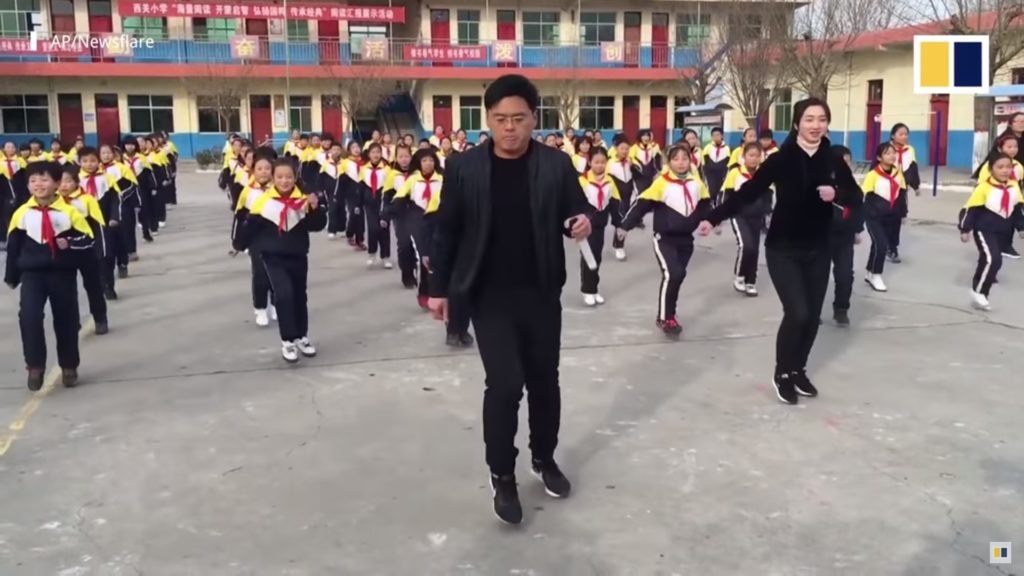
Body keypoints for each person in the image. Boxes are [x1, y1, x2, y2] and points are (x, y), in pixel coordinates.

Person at [427, 74, 592, 525]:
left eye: (519, 119)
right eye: (500, 119)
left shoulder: (555, 165)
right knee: (504, 385)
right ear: (489, 120)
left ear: (534, 118)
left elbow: (577, 207)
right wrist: (439, 288)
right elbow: (447, 229)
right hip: (488, 294)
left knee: (544, 381)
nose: (510, 128)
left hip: (540, 291)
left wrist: (581, 222)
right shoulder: (464, 167)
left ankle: (544, 457)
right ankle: (502, 474)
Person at [696, 97, 862, 406]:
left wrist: (836, 192)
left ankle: (798, 370)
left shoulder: (833, 159)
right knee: (797, 312)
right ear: (797, 124)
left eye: (822, 119)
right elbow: (747, 192)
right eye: (809, 119)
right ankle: (782, 374)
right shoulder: (780, 159)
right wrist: (713, 217)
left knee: (812, 317)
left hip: (819, 248)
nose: (816, 125)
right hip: (783, 248)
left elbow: (856, 195)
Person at [5, 161, 94, 390]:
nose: (38, 184)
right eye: (33, 180)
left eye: (44, 179)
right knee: (29, 317)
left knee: (66, 319)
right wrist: (12, 276)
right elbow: (14, 247)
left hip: (61, 273)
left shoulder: (69, 213)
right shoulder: (22, 214)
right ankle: (35, 366)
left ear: (56, 183)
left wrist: (69, 242)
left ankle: (69, 365)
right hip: (32, 274)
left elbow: (88, 240)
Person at [235, 159, 327, 362]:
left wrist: (316, 208)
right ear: (273, 178)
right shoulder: (264, 201)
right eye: (280, 177)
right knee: (283, 294)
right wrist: (238, 245)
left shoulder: (302, 201)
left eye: (289, 177)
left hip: (298, 255)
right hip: (272, 256)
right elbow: (249, 226)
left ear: (295, 178)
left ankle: (301, 336)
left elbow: (317, 225)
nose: (284, 181)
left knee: (299, 297)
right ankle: (288, 340)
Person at [620, 144, 710, 336]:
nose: (680, 162)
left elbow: (705, 205)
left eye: (684, 158)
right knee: (673, 274)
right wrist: (625, 225)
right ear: (669, 162)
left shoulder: (696, 183)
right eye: (676, 159)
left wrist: (710, 221)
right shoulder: (662, 183)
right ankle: (664, 318)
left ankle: (671, 314)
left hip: (686, 240)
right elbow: (641, 204)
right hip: (664, 239)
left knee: (678, 277)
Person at [959, 154, 1024, 311]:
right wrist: (965, 229)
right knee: (993, 259)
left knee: (987, 260)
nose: (1004, 170)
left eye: (1008, 167)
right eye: (1000, 167)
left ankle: (978, 288)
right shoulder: (984, 187)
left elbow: (1016, 209)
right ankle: (980, 292)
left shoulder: (1014, 186)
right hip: (984, 229)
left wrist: (1021, 227)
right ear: (990, 169)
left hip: (1003, 231)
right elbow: (971, 209)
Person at [58, 164, 110, 335]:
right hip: (64, 253)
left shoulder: (87, 199)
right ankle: (73, 321)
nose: (63, 185)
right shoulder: (54, 201)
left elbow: (98, 226)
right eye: (60, 181)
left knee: (93, 286)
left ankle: (100, 318)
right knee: (67, 289)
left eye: (68, 181)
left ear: (76, 181)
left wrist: (101, 251)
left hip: (87, 250)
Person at [232, 149, 278, 327]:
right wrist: (238, 242)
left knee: (277, 274)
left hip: (277, 238)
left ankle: (275, 304)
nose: (264, 171)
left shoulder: (279, 190)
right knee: (260, 274)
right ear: (254, 171)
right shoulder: (248, 192)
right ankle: (260, 308)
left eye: (267, 168)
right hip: (256, 239)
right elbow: (239, 217)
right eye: (260, 168)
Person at [578, 147, 622, 306]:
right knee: (588, 257)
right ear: (589, 162)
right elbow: (576, 203)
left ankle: (594, 289)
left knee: (597, 257)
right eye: (596, 162)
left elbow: (615, 204)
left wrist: (619, 225)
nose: (599, 165)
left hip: (601, 225)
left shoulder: (610, 181)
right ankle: (587, 290)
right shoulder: (582, 180)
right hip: (585, 224)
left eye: (603, 162)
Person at [723, 142, 768, 297]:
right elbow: (726, 195)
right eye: (751, 155)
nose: (754, 159)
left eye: (757, 156)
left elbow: (768, 195)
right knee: (746, 246)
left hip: (757, 217)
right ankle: (739, 276)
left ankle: (751, 282)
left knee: (755, 250)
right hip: (739, 215)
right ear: (744, 156)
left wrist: (767, 212)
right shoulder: (735, 173)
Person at [861, 142, 907, 293]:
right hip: (874, 217)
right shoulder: (872, 175)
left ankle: (869, 271)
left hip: (891, 216)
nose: (892, 156)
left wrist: (903, 213)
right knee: (881, 244)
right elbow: (865, 197)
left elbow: (901, 195)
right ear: (879, 157)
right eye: (887, 153)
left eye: (893, 153)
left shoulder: (898, 174)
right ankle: (876, 275)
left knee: (877, 245)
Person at [79, 147, 123, 300]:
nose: (89, 164)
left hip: (104, 222)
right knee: (91, 257)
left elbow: (115, 199)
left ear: (98, 161)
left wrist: (114, 217)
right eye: (85, 161)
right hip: (84, 223)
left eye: (92, 160)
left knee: (106, 255)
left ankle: (108, 285)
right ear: (79, 162)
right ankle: (98, 285)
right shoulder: (76, 180)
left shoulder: (106, 178)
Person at [827, 146, 863, 327]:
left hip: (844, 238)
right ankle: (812, 311)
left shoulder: (854, 188)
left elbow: (858, 210)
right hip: (821, 238)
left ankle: (841, 309)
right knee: (815, 278)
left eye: (848, 163)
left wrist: (857, 230)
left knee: (845, 275)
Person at [975, 134, 1024, 260]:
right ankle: (990, 253)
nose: (1013, 149)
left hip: (1011, 199)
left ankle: (1006, 246)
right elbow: (982, 186)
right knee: (993, 227)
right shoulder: (989, 166)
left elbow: (1019, 184)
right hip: (993, 201)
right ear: (1000, 149)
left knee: (1009, 224)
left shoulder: (1018, 166)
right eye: (1009, 147)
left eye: (1015, 146)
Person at [100, 144, 136, 279]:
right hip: (102, 211)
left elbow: (132, 185)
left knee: (120, 238)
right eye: (103, 153)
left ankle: (122, 263)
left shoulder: (121, 168)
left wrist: (121, 196)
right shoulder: (95, 171)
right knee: (106, 241)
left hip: (120, 208)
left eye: (109, 153)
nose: (106, 156)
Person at [382, 145, 416, 289]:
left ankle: (414, 270)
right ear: (396, 158)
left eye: (406, 156)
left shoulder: (417, 173)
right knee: (404, 244)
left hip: (416, 214)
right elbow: (386, 197)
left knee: (415, 246)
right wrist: (384, 215)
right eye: (401, 156)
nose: (404, 159)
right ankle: (406, 275)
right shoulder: (392, 175)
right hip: (400, 215)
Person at [359, 143, 394, 269]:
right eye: (373, 152)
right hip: (369, 204)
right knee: (373, 229)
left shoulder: (387, 169)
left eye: (378, 152)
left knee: (384, 229)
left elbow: (391, 188)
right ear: (369, 154)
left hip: (384, 203)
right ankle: (372, 253)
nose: (375, 155)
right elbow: (361, 187)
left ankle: (385, 256)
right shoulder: (364, 169)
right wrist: (359, 204)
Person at [122, 137, 155, 245]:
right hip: (127, 188)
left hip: (141, 187)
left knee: (143, 210)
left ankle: (146, 232)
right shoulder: (121, 159)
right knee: (128, 213)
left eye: (132, 144)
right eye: (127, 144)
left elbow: (148, 172)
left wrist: (152, 186)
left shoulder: (141, 158)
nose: (130, 147)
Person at [608, 135, 636, 261]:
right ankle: (618, 246)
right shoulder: (610, 163)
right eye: (622, 148)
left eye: (627, 149)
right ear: (615, 148)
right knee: (619, 220)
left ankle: (618, 245)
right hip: (614, 197)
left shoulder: (631, 161)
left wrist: (632, 166)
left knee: (623, 221)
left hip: (627, 196)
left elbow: (638, 177)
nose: (625, 151)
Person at [1, 141, 28, 248]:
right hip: (4, 193)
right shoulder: (0, 162)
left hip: (19, 191)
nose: (10, 149)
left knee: (19, 216)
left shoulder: (20, 161)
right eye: (8, 147)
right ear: (4, 149)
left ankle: (20, 240)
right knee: (5, 218)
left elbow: (24, 177)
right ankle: (7, 240)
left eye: (12, 147)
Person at [342, 140, 367, 250]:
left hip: (362, 192)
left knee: (361, 216)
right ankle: (350, 233)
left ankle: (360, 240)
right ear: (349, 150)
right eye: (353, 147)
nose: (356, 149)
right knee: (353, 213)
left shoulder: (365, 162)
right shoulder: (345, 162)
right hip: (350, 193)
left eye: (357, 146)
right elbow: (341, 179)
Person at [320, 142, 346, 240]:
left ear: (341, 151)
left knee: (342, 210)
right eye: (334, 149)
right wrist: (321, 190)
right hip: (330, 191)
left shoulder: (344, 163)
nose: (336, 152)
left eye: (338, 150)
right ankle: (332, 230)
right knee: (332, 210)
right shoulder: (326, 164)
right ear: (330, 151)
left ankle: (342, 228)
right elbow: (321, 178)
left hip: (342, 191)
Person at [630, 130, 662, 195]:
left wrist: (659, 169)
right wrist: (636, 165)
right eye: (643, 136)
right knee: (641, 192)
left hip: (650, 173)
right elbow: (630, 157)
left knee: (650, 192)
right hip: (639, 174)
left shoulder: (652, 147)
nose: (646, 137)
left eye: (647, 136)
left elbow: (658, 157)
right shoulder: (635, 147)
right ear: (640, 137)